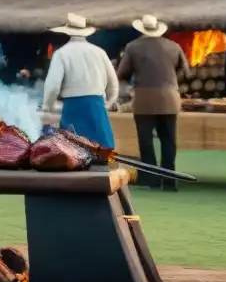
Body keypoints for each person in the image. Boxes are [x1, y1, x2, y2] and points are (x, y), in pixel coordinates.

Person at [116, 14, 192, 190]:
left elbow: (122, 74)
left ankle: (151, 179)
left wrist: (130, 86)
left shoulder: (132, 47)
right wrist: (172, 82)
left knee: (146, 141)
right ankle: (170, 180)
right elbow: (187, 73)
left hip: (144, 100)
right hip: (170, 98)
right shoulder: (174, 46)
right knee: (168, 140)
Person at [43, 13, 118, 148]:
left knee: (72, 151)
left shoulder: (61, 53)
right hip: (96, 104)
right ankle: (105, 167)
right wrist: (109, 102)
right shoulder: (99, 52)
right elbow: (113, 83)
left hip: (72, 106)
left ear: (68, 32)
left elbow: (53, 85)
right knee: (104, 151)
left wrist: (47, 106)